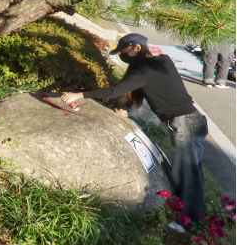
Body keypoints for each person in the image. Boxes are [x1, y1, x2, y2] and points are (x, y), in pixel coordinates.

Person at [62, 33, 208, 223]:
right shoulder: (160, 61)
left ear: (136, 48)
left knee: (187, 175)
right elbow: (138, 91)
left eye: (124, 52)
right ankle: (194, 216)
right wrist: (123, 109)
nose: (123, 56)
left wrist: (79, 94)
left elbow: (115, 90)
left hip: (185, 123)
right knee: (189, 172)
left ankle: (191, 220)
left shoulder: (145, 69)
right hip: (192, 121)